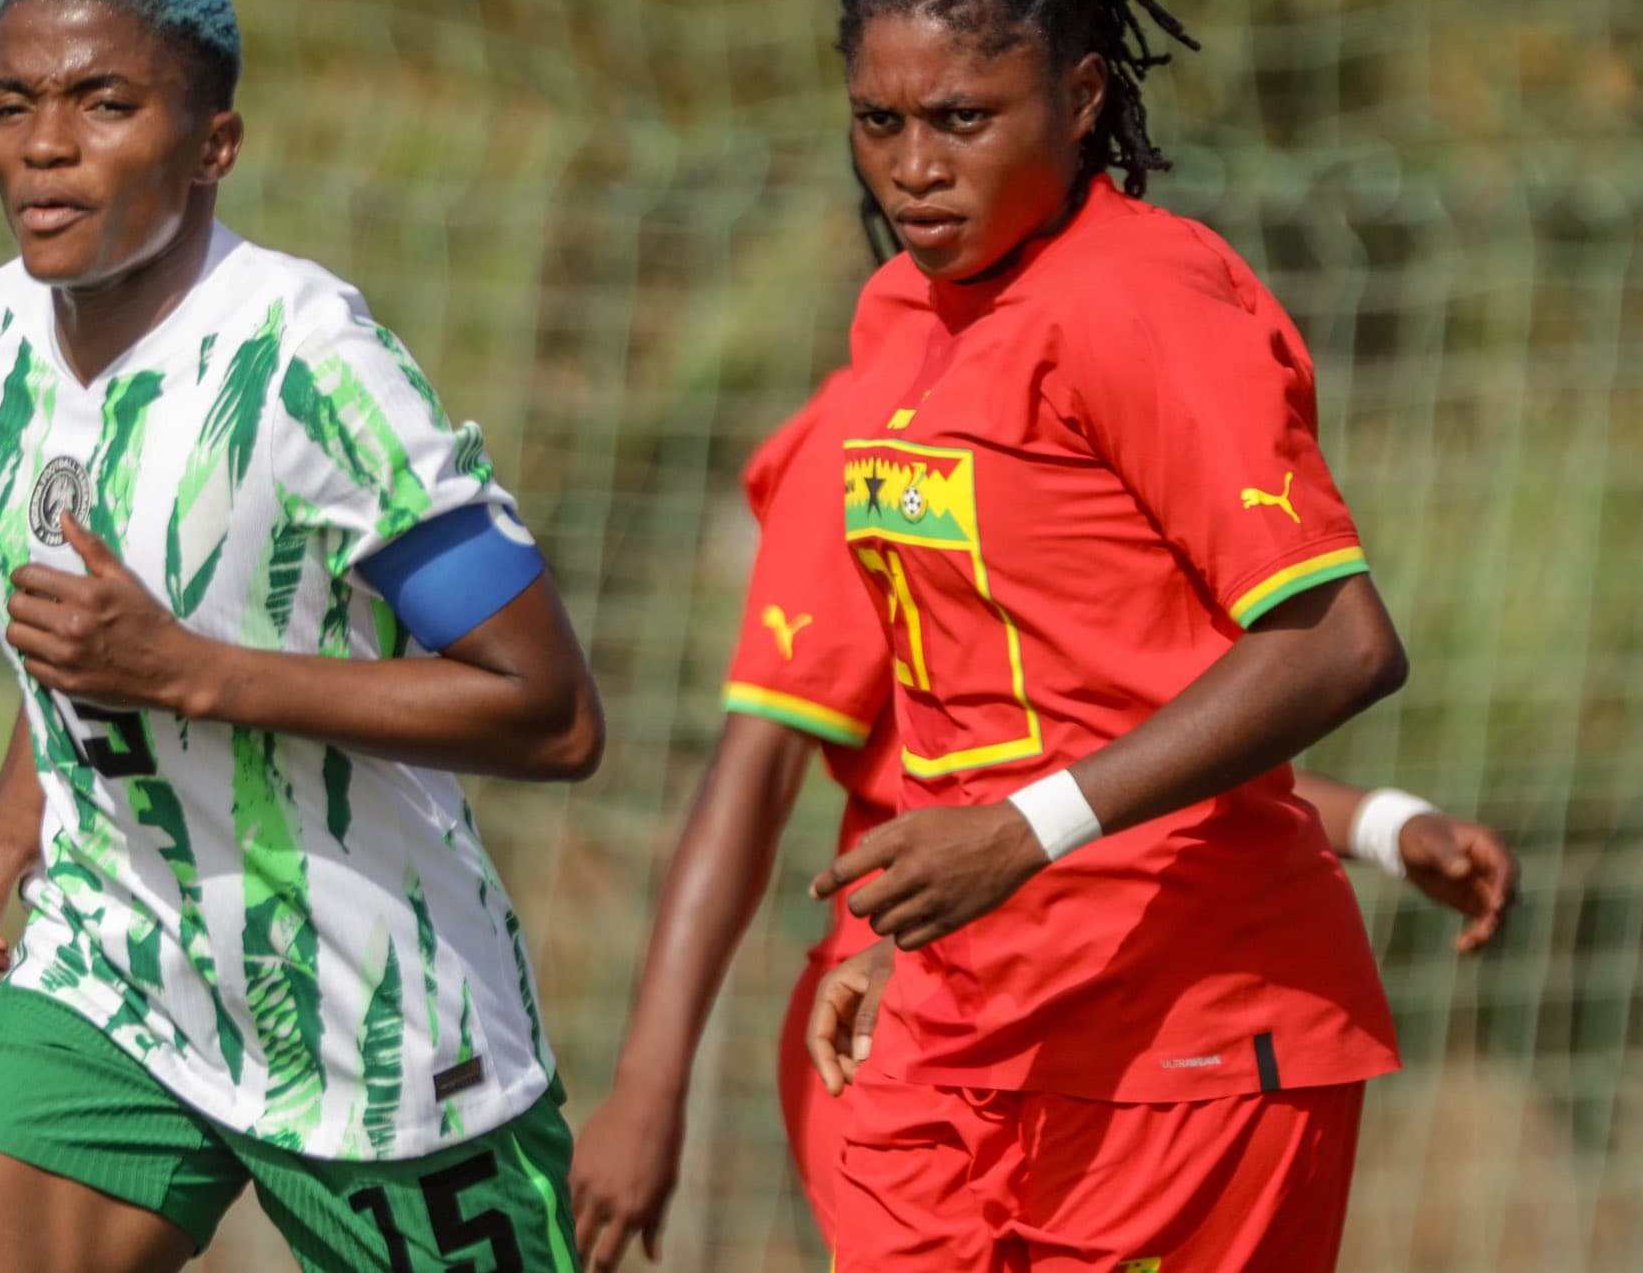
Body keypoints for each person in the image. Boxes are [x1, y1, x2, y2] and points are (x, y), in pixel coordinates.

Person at [0, 0, 602, 1273]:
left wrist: (188, 670)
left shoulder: (311, 365)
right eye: (11, 103)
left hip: (373, 1013)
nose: (46, 145)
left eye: (104, 103)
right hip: (115, 972)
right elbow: (73, 620)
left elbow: (551, 711)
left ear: (213, 145)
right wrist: (22, 800)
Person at [570, 262, 1516, 1262]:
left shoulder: (1101, 381)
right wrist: (649, 1081)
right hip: (913, 1007)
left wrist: (1374, 821)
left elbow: (1122, 753)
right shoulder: (881, 437)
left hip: (1129, 1003)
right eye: (894, 125)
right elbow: (756, 769)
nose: (923, 167)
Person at [798, 0, 1423, 1271]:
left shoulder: (1144, 299)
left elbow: (1339, 642)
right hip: (964, 1017)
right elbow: (1007, 681)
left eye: (964, 118)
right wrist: (903, 937)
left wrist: (1023, 833)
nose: (911, 165)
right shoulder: (899, 314)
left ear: (1082, 99)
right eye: (878, 120)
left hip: (1189, 1037)